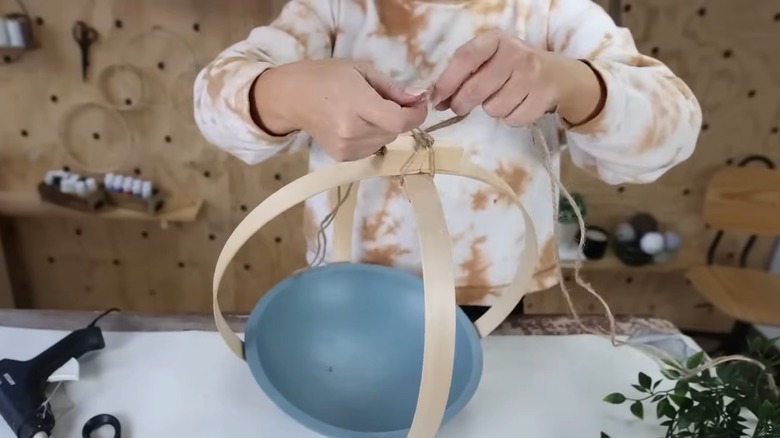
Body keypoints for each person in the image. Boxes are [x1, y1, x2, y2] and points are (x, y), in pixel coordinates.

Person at [193, 0, 701, 311]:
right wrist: (286, 93)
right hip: (348, 291)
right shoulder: (333, 9)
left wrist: (574, 83)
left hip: (495, 299)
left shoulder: (553, 12)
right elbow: (214, 100)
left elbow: (673, 127)